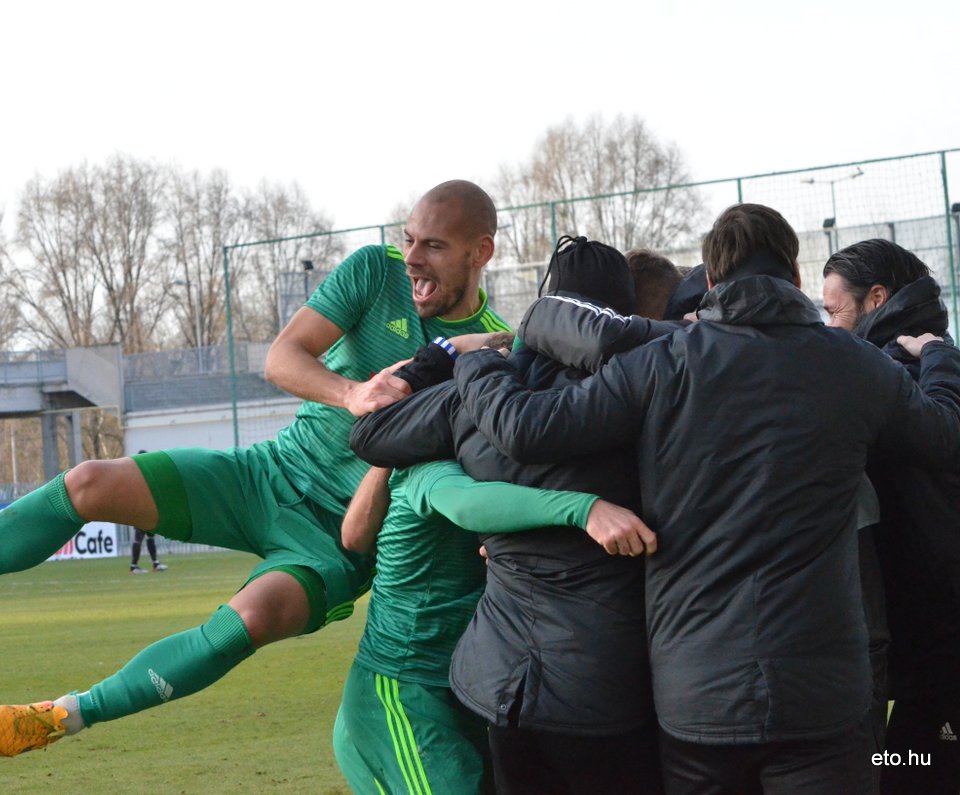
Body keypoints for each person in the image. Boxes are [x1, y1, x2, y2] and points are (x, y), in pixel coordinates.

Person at [0, 180, 512, 757]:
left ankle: (63, 714)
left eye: (433, 246)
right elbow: (282, 358)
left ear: (480, 252)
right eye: (409, 239)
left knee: (249, 619)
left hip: (338, 541)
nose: (412, 258)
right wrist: (353, 393)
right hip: (268, 471)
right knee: (91, 481)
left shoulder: (494, 358)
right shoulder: (373, 272)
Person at [450, 203, 960, 794]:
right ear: (796, 274)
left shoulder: (661, 362)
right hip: (823, 695)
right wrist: (939, 354)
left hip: (696, 696)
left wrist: (479, 364)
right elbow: (943, 433)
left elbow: (527, 429)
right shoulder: (855, 363)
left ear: (712, 280)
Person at [351, 237, 669, 794]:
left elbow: (370, 432)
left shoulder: (473, 392)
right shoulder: (643, 391)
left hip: (501, 682)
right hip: (604, 683)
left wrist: (446, 355)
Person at [333, 459, 646, 795]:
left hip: (452, 691)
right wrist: (585, 509)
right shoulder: (430, 466)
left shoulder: (440, 459)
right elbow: (465, 504)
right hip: (402, 696)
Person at [823, 239, 960, 795]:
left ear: (876, 298)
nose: (827, 326)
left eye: (834, 310)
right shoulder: (934, 358)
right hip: (928, 618)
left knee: (913, 762)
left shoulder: (886, 373)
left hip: (925, 618)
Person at [128, 450, 169, 574]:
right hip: (140, 511)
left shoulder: (144, 473)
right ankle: (133, 566)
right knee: (139, 538)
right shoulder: (136, 474)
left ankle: (155, 563)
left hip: (148, 510)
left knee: (150, 537)